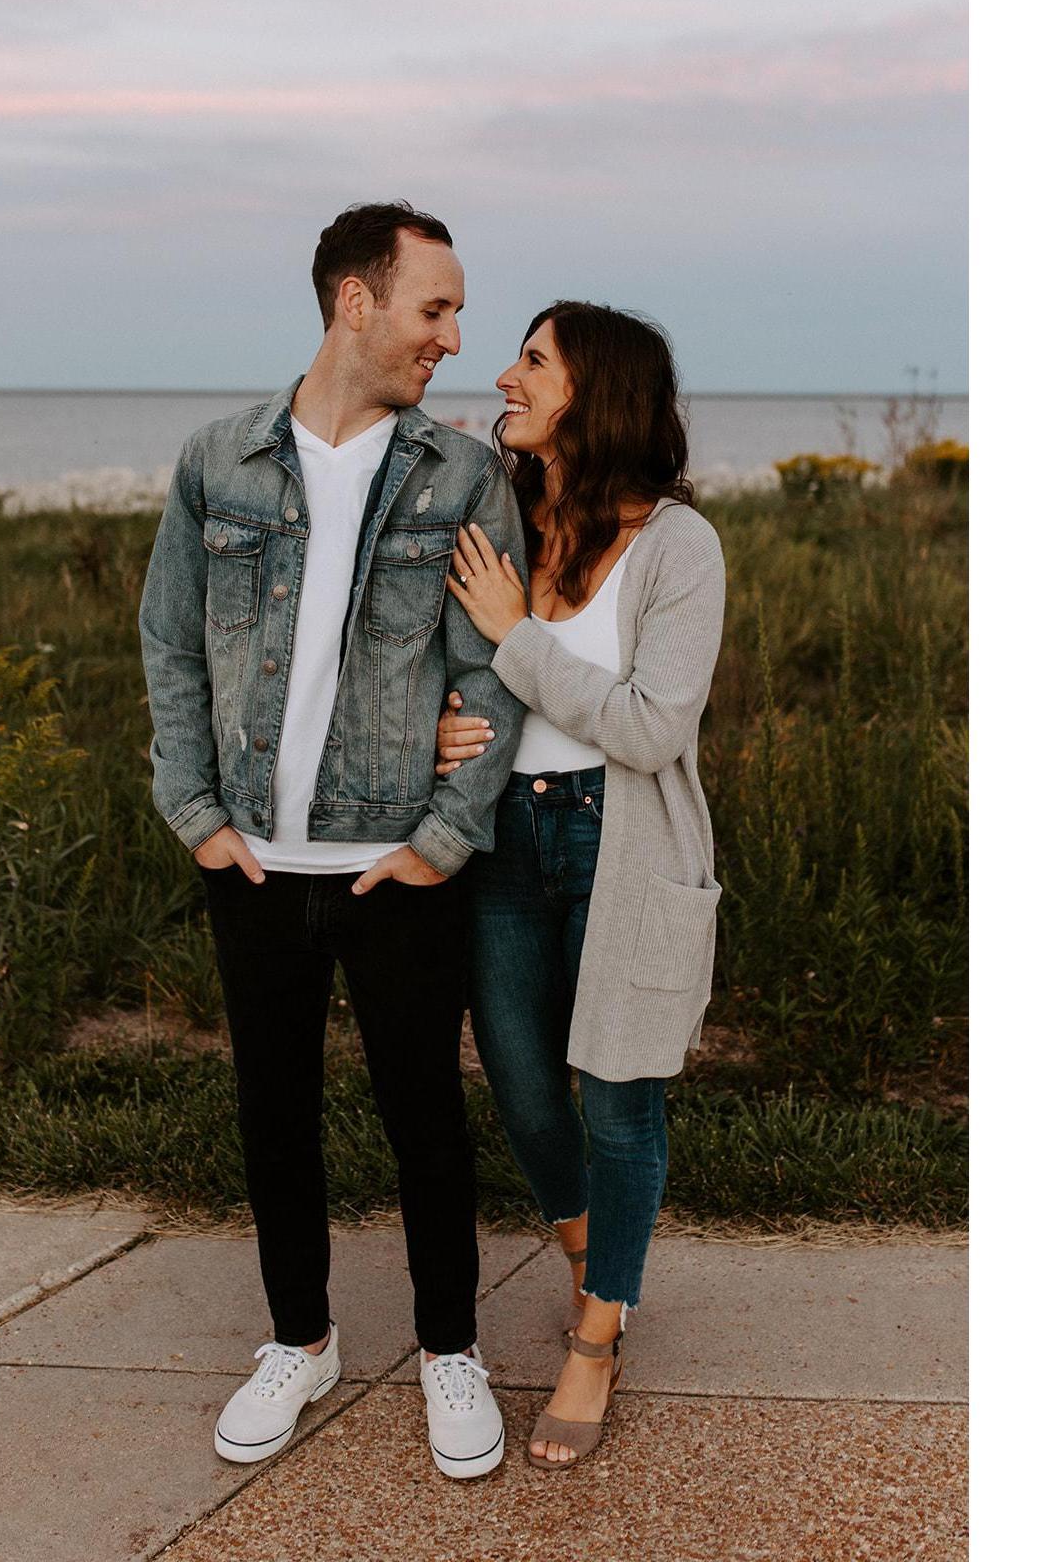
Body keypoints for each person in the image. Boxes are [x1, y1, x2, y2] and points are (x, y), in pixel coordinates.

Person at [138, 202, 526, 1479]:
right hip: (254, 861)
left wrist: (444, 835)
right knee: (274, 1112)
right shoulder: (218, 462)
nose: (451, 336)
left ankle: (450, 1348)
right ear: (356, 301)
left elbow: (490, 673)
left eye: (456, 312)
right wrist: (196, 814)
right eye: (434, 307)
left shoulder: (460, 476)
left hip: (394, 862)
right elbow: (169, 643)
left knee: (425, 1113)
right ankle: (298, 1340)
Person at [437, 301, 726, 1470]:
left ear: (593, 390)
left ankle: (597, 1334)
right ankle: (591, 1256)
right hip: (503, 834)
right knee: (520, 1085)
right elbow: (451, 668)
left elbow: (651, 728)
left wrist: (518, 639)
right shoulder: (506, 518)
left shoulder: (677, 546)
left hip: (623, 841)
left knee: (617, 1098)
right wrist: (440, 730)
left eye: (532, 360)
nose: (505, 376)